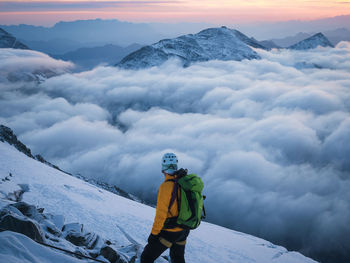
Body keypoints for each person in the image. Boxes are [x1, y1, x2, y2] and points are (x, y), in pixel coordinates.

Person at [141, 153, 190, 263]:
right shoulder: (184, 181)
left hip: (170, 232)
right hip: (184, 230)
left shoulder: (166, 187)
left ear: (163, 168)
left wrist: (153, 234)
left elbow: (161, 215)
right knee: (178, 259)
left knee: (146, 258)